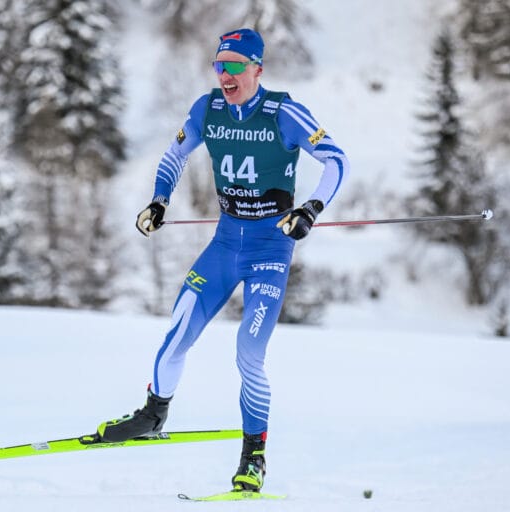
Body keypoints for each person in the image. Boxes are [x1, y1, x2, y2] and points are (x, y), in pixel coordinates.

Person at [89, 28, 350, 492]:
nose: (225, 75)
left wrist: (310, 209)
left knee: (248, 353)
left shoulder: (282, 112)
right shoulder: (207, 109)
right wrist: (159, 201)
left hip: (271, 251)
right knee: (178, 329)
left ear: (256, 69)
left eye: (234, 66)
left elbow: (335, 159)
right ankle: (153, 414)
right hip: (226, 246)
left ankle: (254, 457)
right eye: (219, 65)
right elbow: (174, 155)